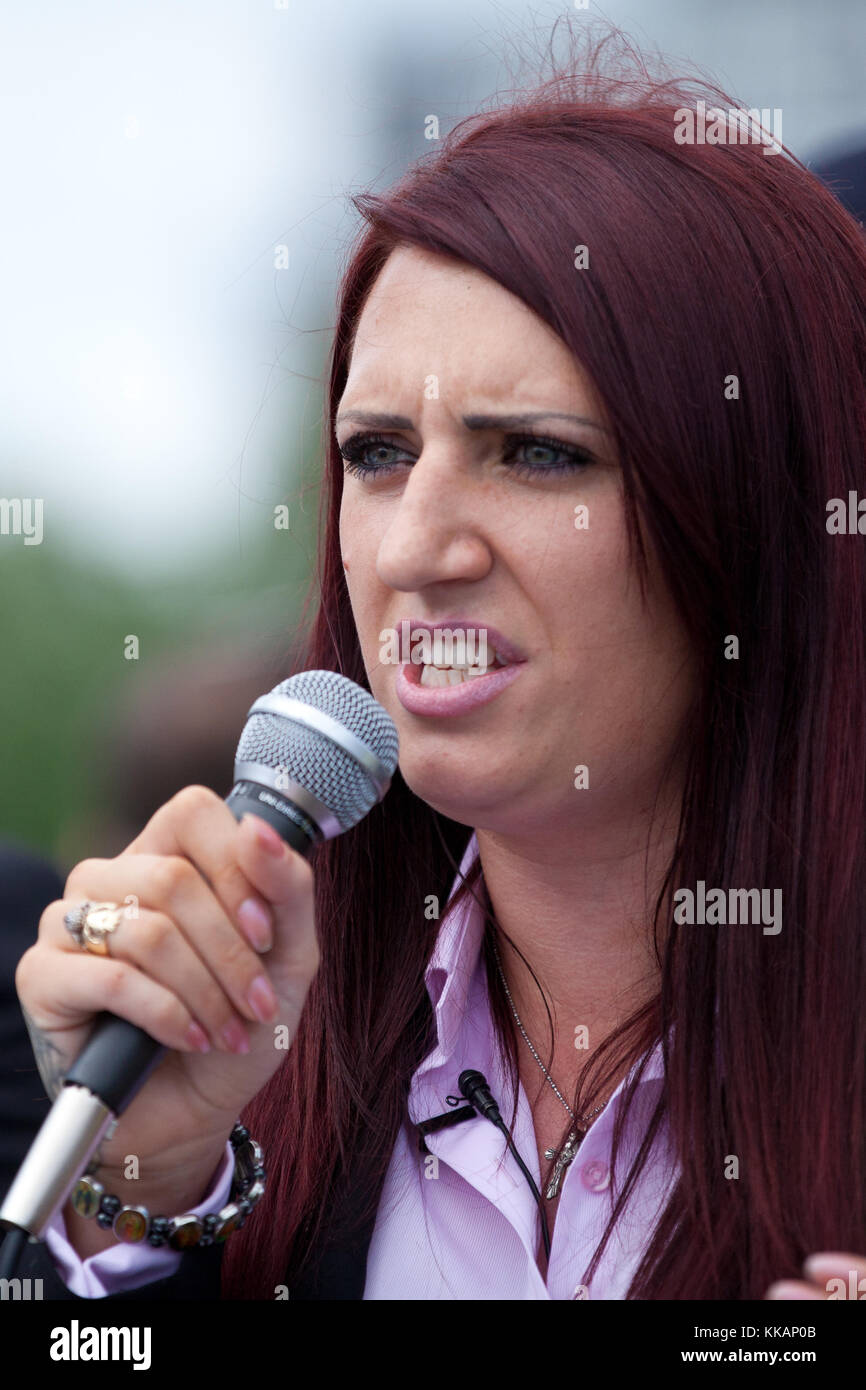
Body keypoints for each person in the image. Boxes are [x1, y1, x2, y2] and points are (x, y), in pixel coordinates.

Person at [10, 33, 866, 1301]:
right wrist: (142, 1189)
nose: (414, 547)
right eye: (374, 453)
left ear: (751, 513)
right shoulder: (249, 1056)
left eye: (534, 454)